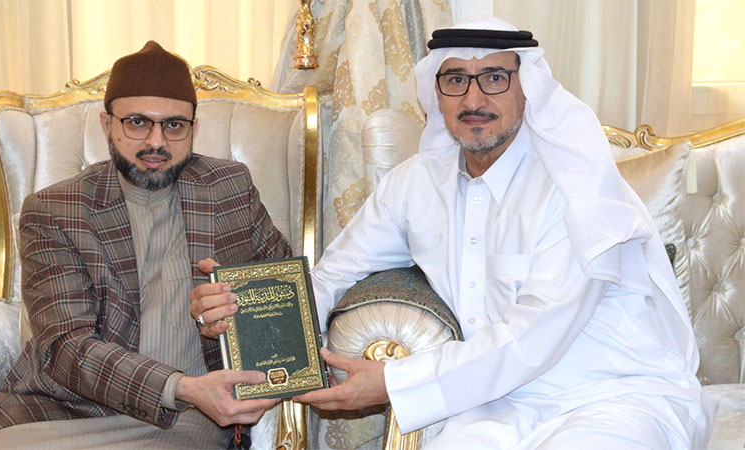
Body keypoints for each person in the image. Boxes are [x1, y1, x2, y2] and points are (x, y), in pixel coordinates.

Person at [294, 16, 715, 449]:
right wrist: (267, 349)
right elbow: (334, 274)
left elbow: (533, 335)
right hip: (498, 405)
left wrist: (394, 382)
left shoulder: (574, 186)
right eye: (456, 79)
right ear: (437, 93)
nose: (473, 99)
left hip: (612, 397)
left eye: (495, 78)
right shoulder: (414, 184)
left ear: (526, 87)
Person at [0, 41, 289, 449]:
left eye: (174, 125)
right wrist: (181, 386)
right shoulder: (56, 209)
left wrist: (236, 307)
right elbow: (67, 347)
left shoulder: (229, 187)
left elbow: (287, 293)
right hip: (65, 411)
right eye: (137, 122)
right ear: (108, 125)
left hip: (190, 416)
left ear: (194, 129)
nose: (156, 141)